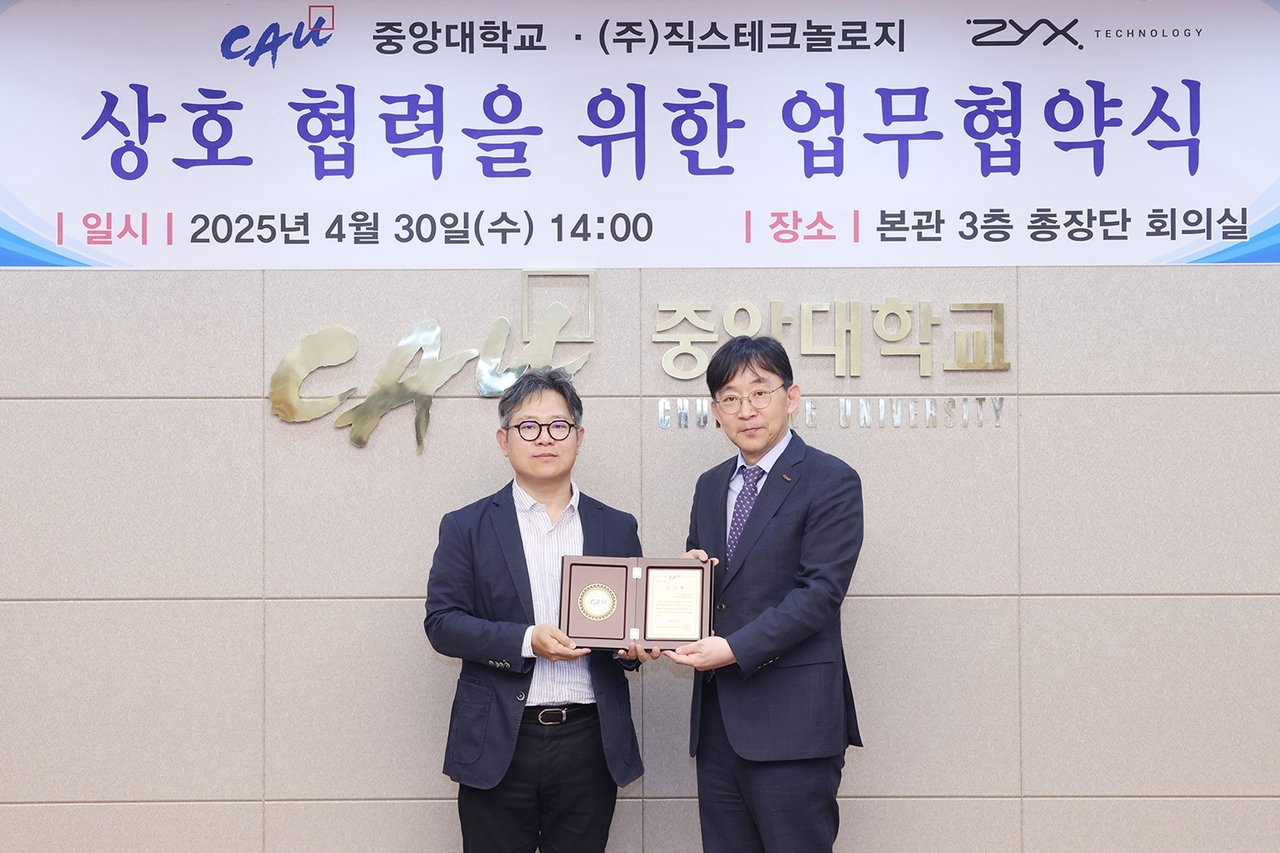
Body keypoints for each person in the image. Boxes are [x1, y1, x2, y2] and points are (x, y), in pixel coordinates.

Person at [424, 367, 649, 853]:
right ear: (504, 440)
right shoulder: (467, 526)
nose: (545, 438)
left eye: (559, 425)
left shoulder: (616, 527)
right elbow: (442, 624)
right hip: (500, 740)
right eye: (528, 426)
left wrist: (636, 648)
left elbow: (626, 631)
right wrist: (527, 640)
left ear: (579, 436)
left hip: (590, 740)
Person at [664, 335, 864, 853]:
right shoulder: (710, 485)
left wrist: (731, 649)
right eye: (730, 398)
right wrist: (688, 581)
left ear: (791, 397)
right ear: (715, 411)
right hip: (719, 727)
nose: (746, 410)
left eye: (759, 392)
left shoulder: (832, 480)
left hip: (794, 725)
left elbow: (820, 593)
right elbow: (712, 583)